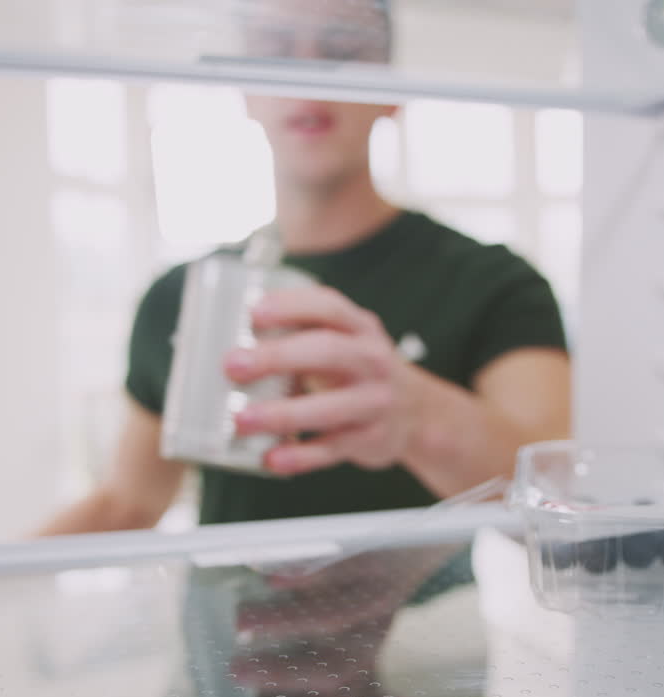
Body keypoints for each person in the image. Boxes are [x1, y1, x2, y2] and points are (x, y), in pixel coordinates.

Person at [38, 0, 572, 535]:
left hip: (429, 622)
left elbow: (556, 502)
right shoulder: (181, 297)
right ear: (245, 88)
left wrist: (415, 415)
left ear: (390, 89)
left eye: (343, 48)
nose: (308, 70)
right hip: (223, 619)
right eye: (275, 48)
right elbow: (126, 505)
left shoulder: (494, 284)